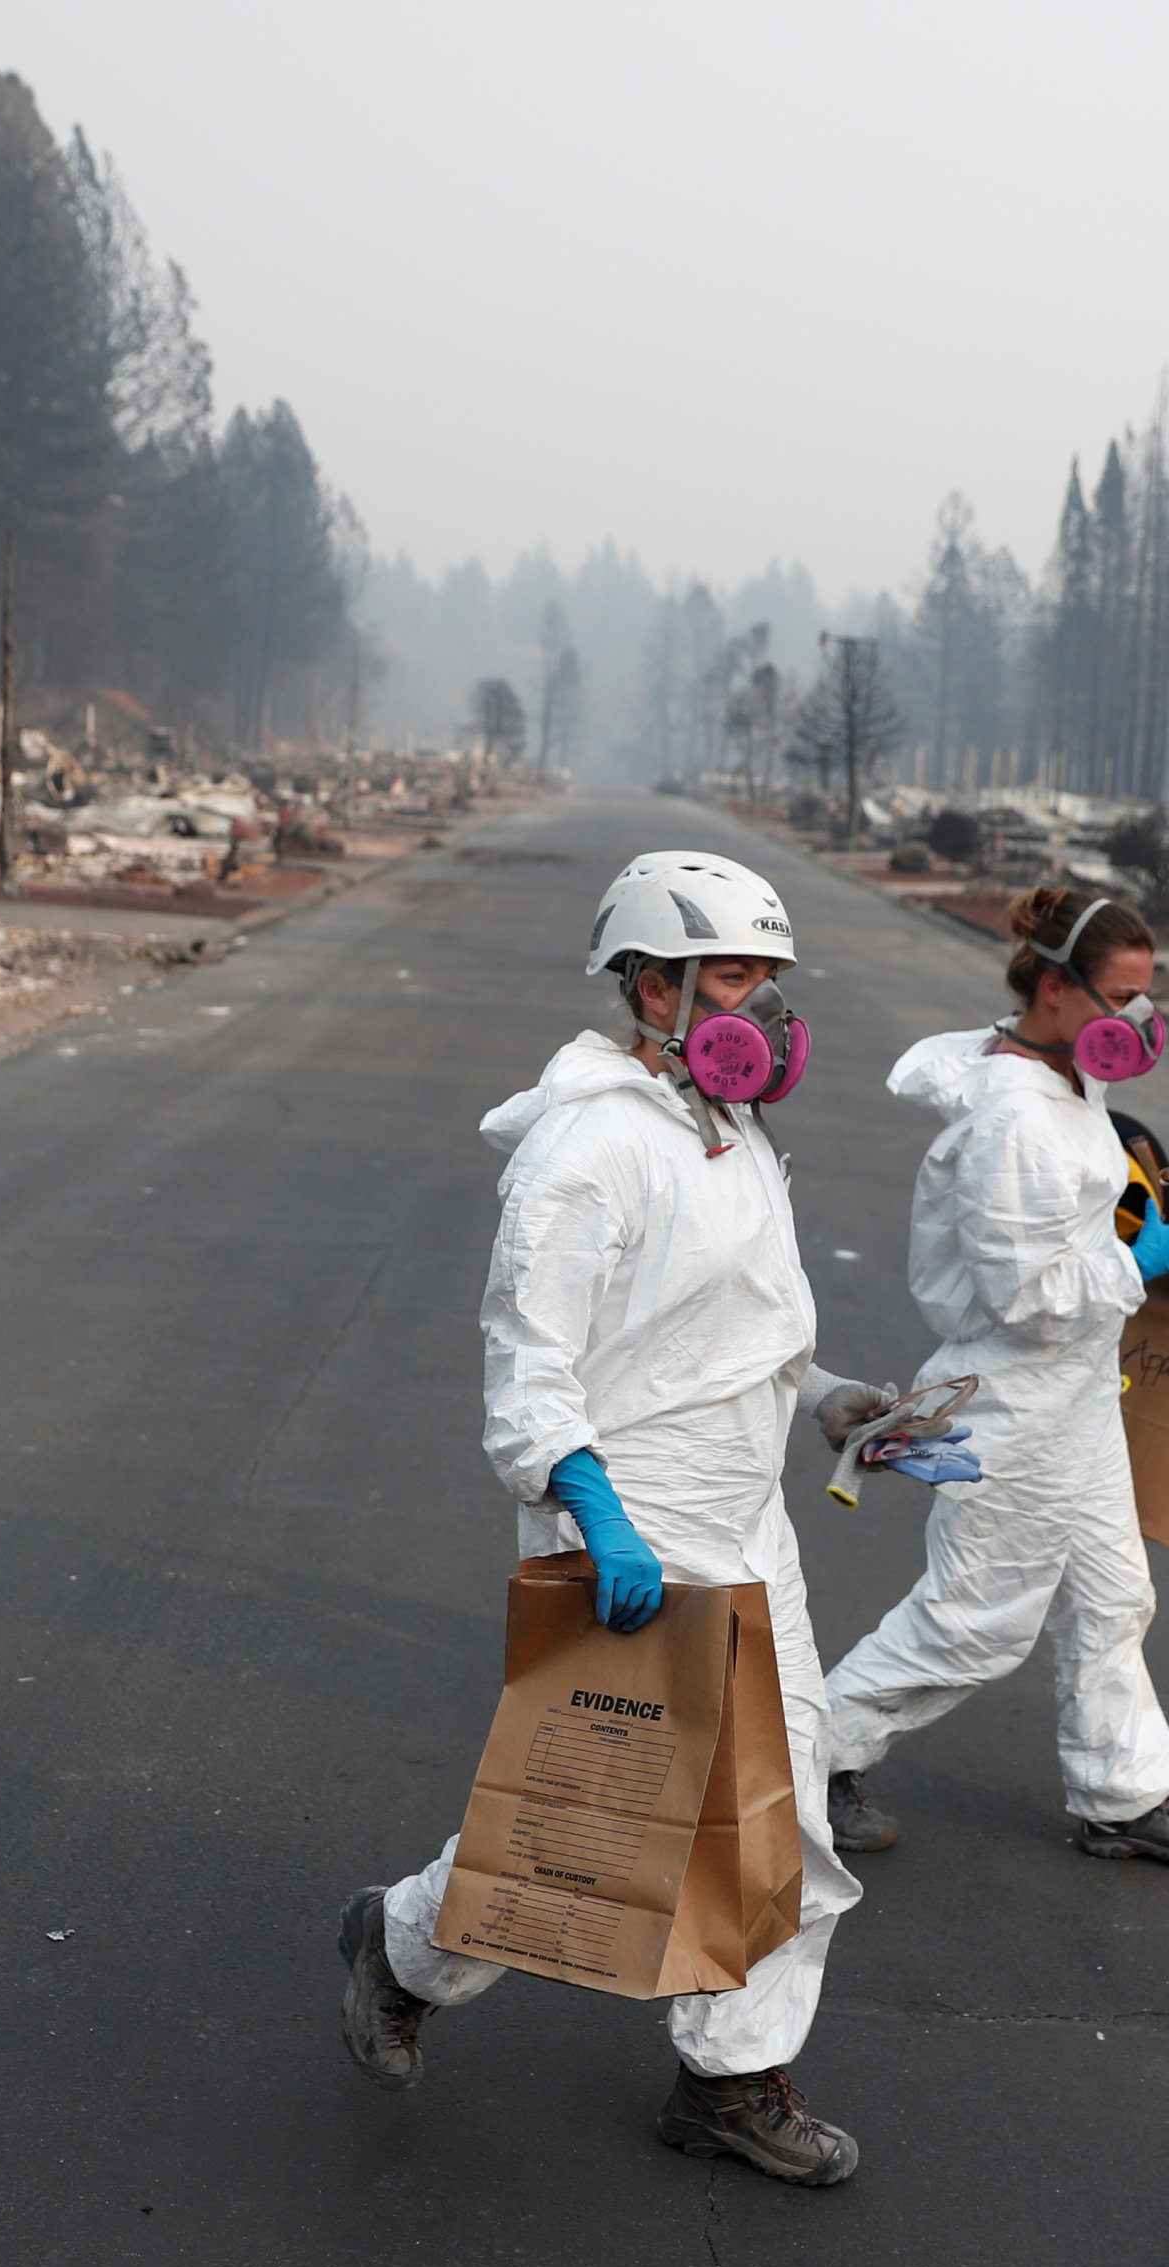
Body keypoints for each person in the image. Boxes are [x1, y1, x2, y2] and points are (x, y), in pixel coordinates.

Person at [335, 849, 900, 2187]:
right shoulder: (587, 1149)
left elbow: (725, 1336)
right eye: (737, 980)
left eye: (774, 982)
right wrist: (590, 1510)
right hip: (632, 1525)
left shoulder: (733, 1130)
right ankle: (402, 1944)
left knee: (784, 1810)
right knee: (590, 1833)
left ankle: (731, 2072)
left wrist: (833, 1400)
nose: (766, 1012)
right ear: (653, 983)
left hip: (747, 1520)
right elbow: (530, 1358)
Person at [818, 887, 1169, 1868]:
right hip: (1011, 1394)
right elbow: (1025, 1295)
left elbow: (1069, 1234)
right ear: (1053, 988)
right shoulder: (1010, 1116)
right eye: (1120, 997)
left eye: (1148, 997)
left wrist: (1145, 1249)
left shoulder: (1061, 1076)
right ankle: (803, 1758)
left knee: (1111, 1594)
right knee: (970, 1623)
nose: (1137, 1023)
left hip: (1078, 1388)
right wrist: (1135, 1266)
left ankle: (1120, 1793)